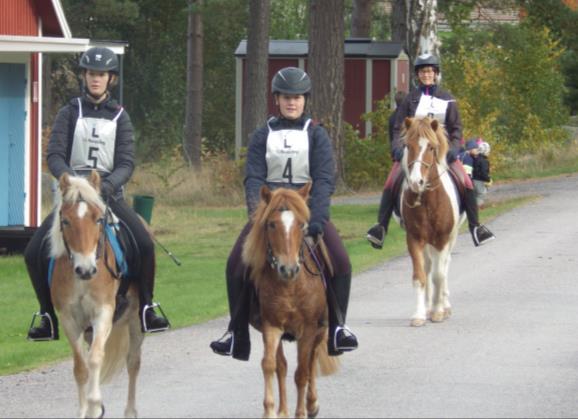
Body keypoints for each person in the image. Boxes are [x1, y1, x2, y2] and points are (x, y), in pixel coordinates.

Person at [210, 67, 358, 360]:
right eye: (286, 97)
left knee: (341, 261)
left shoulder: (317, 135)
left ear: (305, 100)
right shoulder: (262, 135)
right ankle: (236, 334)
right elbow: (253, 178)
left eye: (298, 97)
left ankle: (338, 328)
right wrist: (258, 215)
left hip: (306, 212)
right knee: (235, 265)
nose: (292, 102)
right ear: (276, 99)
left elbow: (324, 179)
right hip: (270, 216)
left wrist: (317, 218)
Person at [25, 47, 170, 341]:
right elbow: (54, 154)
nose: (95, 79)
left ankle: (147, 305)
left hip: (107, 193)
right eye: (91, 73)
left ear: (110, 79)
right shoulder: (69, 112)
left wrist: (105, 186)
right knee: (32, 252)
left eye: (101, 74)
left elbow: (127, 162)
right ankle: (45, 315)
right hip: (74, 195)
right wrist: (70, 181)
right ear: (84, 76)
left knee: (143, 242)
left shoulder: (120, 117)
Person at [366, 53, 495, 249]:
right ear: (417, 75)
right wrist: (398, 149)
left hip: (443, 152)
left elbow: (456, 128)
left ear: (436, 73)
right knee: (391, 182)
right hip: (415, 153)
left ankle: (475, 226)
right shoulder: (410, 99)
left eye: (430, 71)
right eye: (423, 72)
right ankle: (380, 227)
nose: (427, 75)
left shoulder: (448, 99)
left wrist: (453, 149)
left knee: (466, 182)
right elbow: (397, 127)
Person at [472, 141, 492, 207]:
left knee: (475, 195)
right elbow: (483, 173)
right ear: (485, 151)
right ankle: (477, 208)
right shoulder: (484, 161)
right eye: (488, 151)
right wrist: (488, 179)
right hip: (479, 180)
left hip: (473, 179)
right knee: (481, 194)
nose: (489, 152)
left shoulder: (475, 158)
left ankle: (474, 207)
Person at [388, 91, 408, 159]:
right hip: (404, 150)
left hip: (396, 149)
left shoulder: (392, 117)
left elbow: (391, 136)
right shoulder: (407, 116)